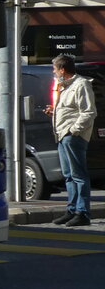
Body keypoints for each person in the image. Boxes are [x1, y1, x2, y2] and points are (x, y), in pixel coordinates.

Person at [44, 54, 97, 226]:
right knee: (68, 175)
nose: (53, 72)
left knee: (78, 175)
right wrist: (54, 111)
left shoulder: (80, 84)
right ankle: (72, 209)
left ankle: (82, 213)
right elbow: (70, 110)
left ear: (62, 70)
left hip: (72, 136)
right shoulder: (64, 86)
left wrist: (73, 131)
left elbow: (89, 112)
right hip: (62, 135)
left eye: (54, 69)